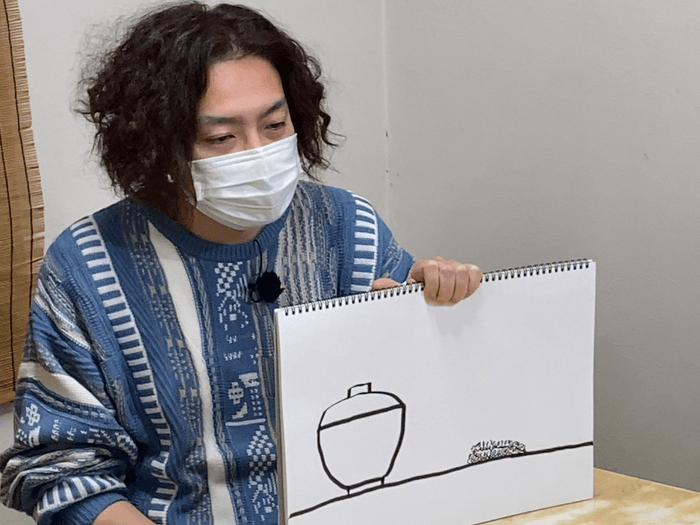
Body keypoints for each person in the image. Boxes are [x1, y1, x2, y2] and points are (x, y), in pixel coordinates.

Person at [0, 3, 481, 524]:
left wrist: (432, 308)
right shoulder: (87, 264)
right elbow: (62, 470)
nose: (258, 153)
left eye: (275, 124)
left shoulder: (348, 227)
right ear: (156, 144)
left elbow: (415, 408)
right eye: (221, 138)